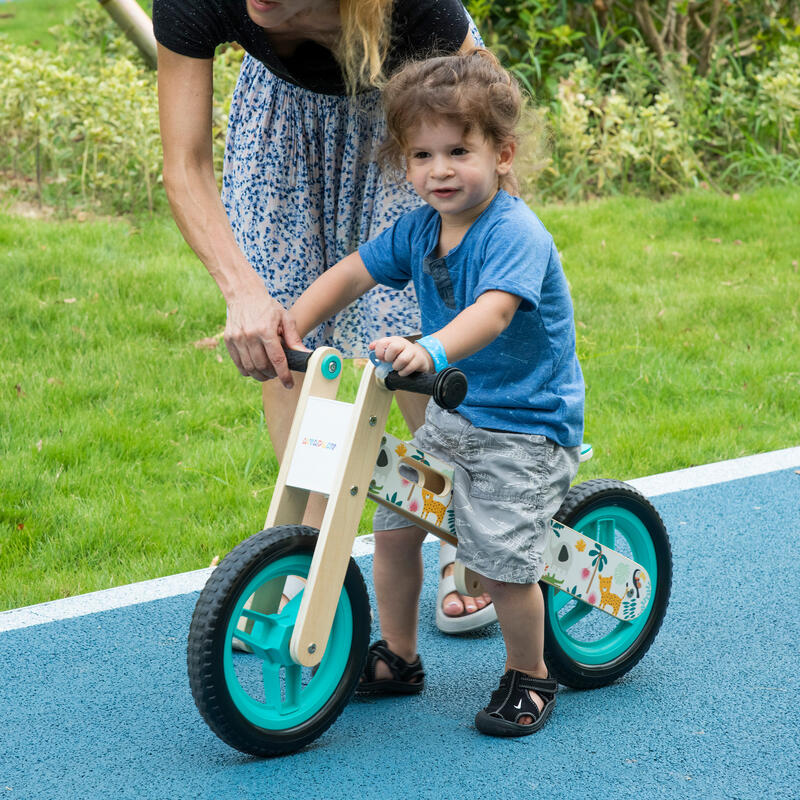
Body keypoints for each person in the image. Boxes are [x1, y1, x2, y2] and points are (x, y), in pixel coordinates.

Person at [152, 0, 494, 629]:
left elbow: (486, 135)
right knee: (284, 334)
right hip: (284, 119)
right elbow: (185, 163)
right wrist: (243, 294)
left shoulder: (417, 11)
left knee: (412, 331)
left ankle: (463, 533)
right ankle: (303, 552)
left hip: (420, 118)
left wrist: (493, 256)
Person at [287, 48, 585, 736]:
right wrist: (290, 327)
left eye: (458, 150)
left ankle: (531, 675)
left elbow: (494, 312)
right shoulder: (421, 228)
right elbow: (354, 271)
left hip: (527, 426)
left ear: (502, 153)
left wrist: (428, 349)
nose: (440, 170)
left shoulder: (515, 232)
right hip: (460, 418)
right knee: (391, 528)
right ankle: (398, 655)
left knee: (503, 561)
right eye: (422, 155)